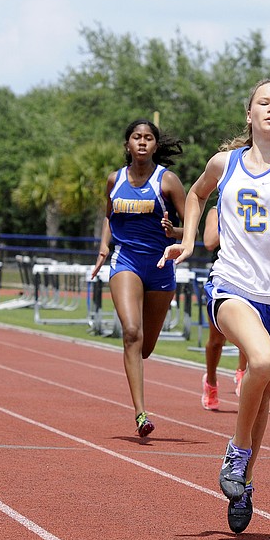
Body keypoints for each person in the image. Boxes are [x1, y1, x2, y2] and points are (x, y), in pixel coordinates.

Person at [159, 77, 270, 533]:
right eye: (264, 102)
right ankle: (236, 454)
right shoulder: (226, 163)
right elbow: (196, 194)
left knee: (261, 398)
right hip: (233, 287)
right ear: (250, 113)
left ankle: (245, 483)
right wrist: (189, 240)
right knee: (258, 361)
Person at [90, 119, 186, 438]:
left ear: (155, 145)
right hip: (126, 261)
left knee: (144, 347)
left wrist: (175, 232)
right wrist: (104, 246)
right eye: (136, 137)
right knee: (132, 333)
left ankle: (138, 364)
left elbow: (193, 229)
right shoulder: (115, 180)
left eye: (148, 138)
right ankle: (141, 413)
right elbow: (109, 216)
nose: (142, 142)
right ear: (128, 144)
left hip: (159, 265)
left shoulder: (167, 181)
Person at [200, 205, 248, 410]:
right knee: (217, 340)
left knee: (248, 333)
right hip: (223, 278)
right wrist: (232, 219)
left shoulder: (254, 205)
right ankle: (210, 382)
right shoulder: (216, 211)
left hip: (249, 276)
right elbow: (209, 242)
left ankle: (242, 373)